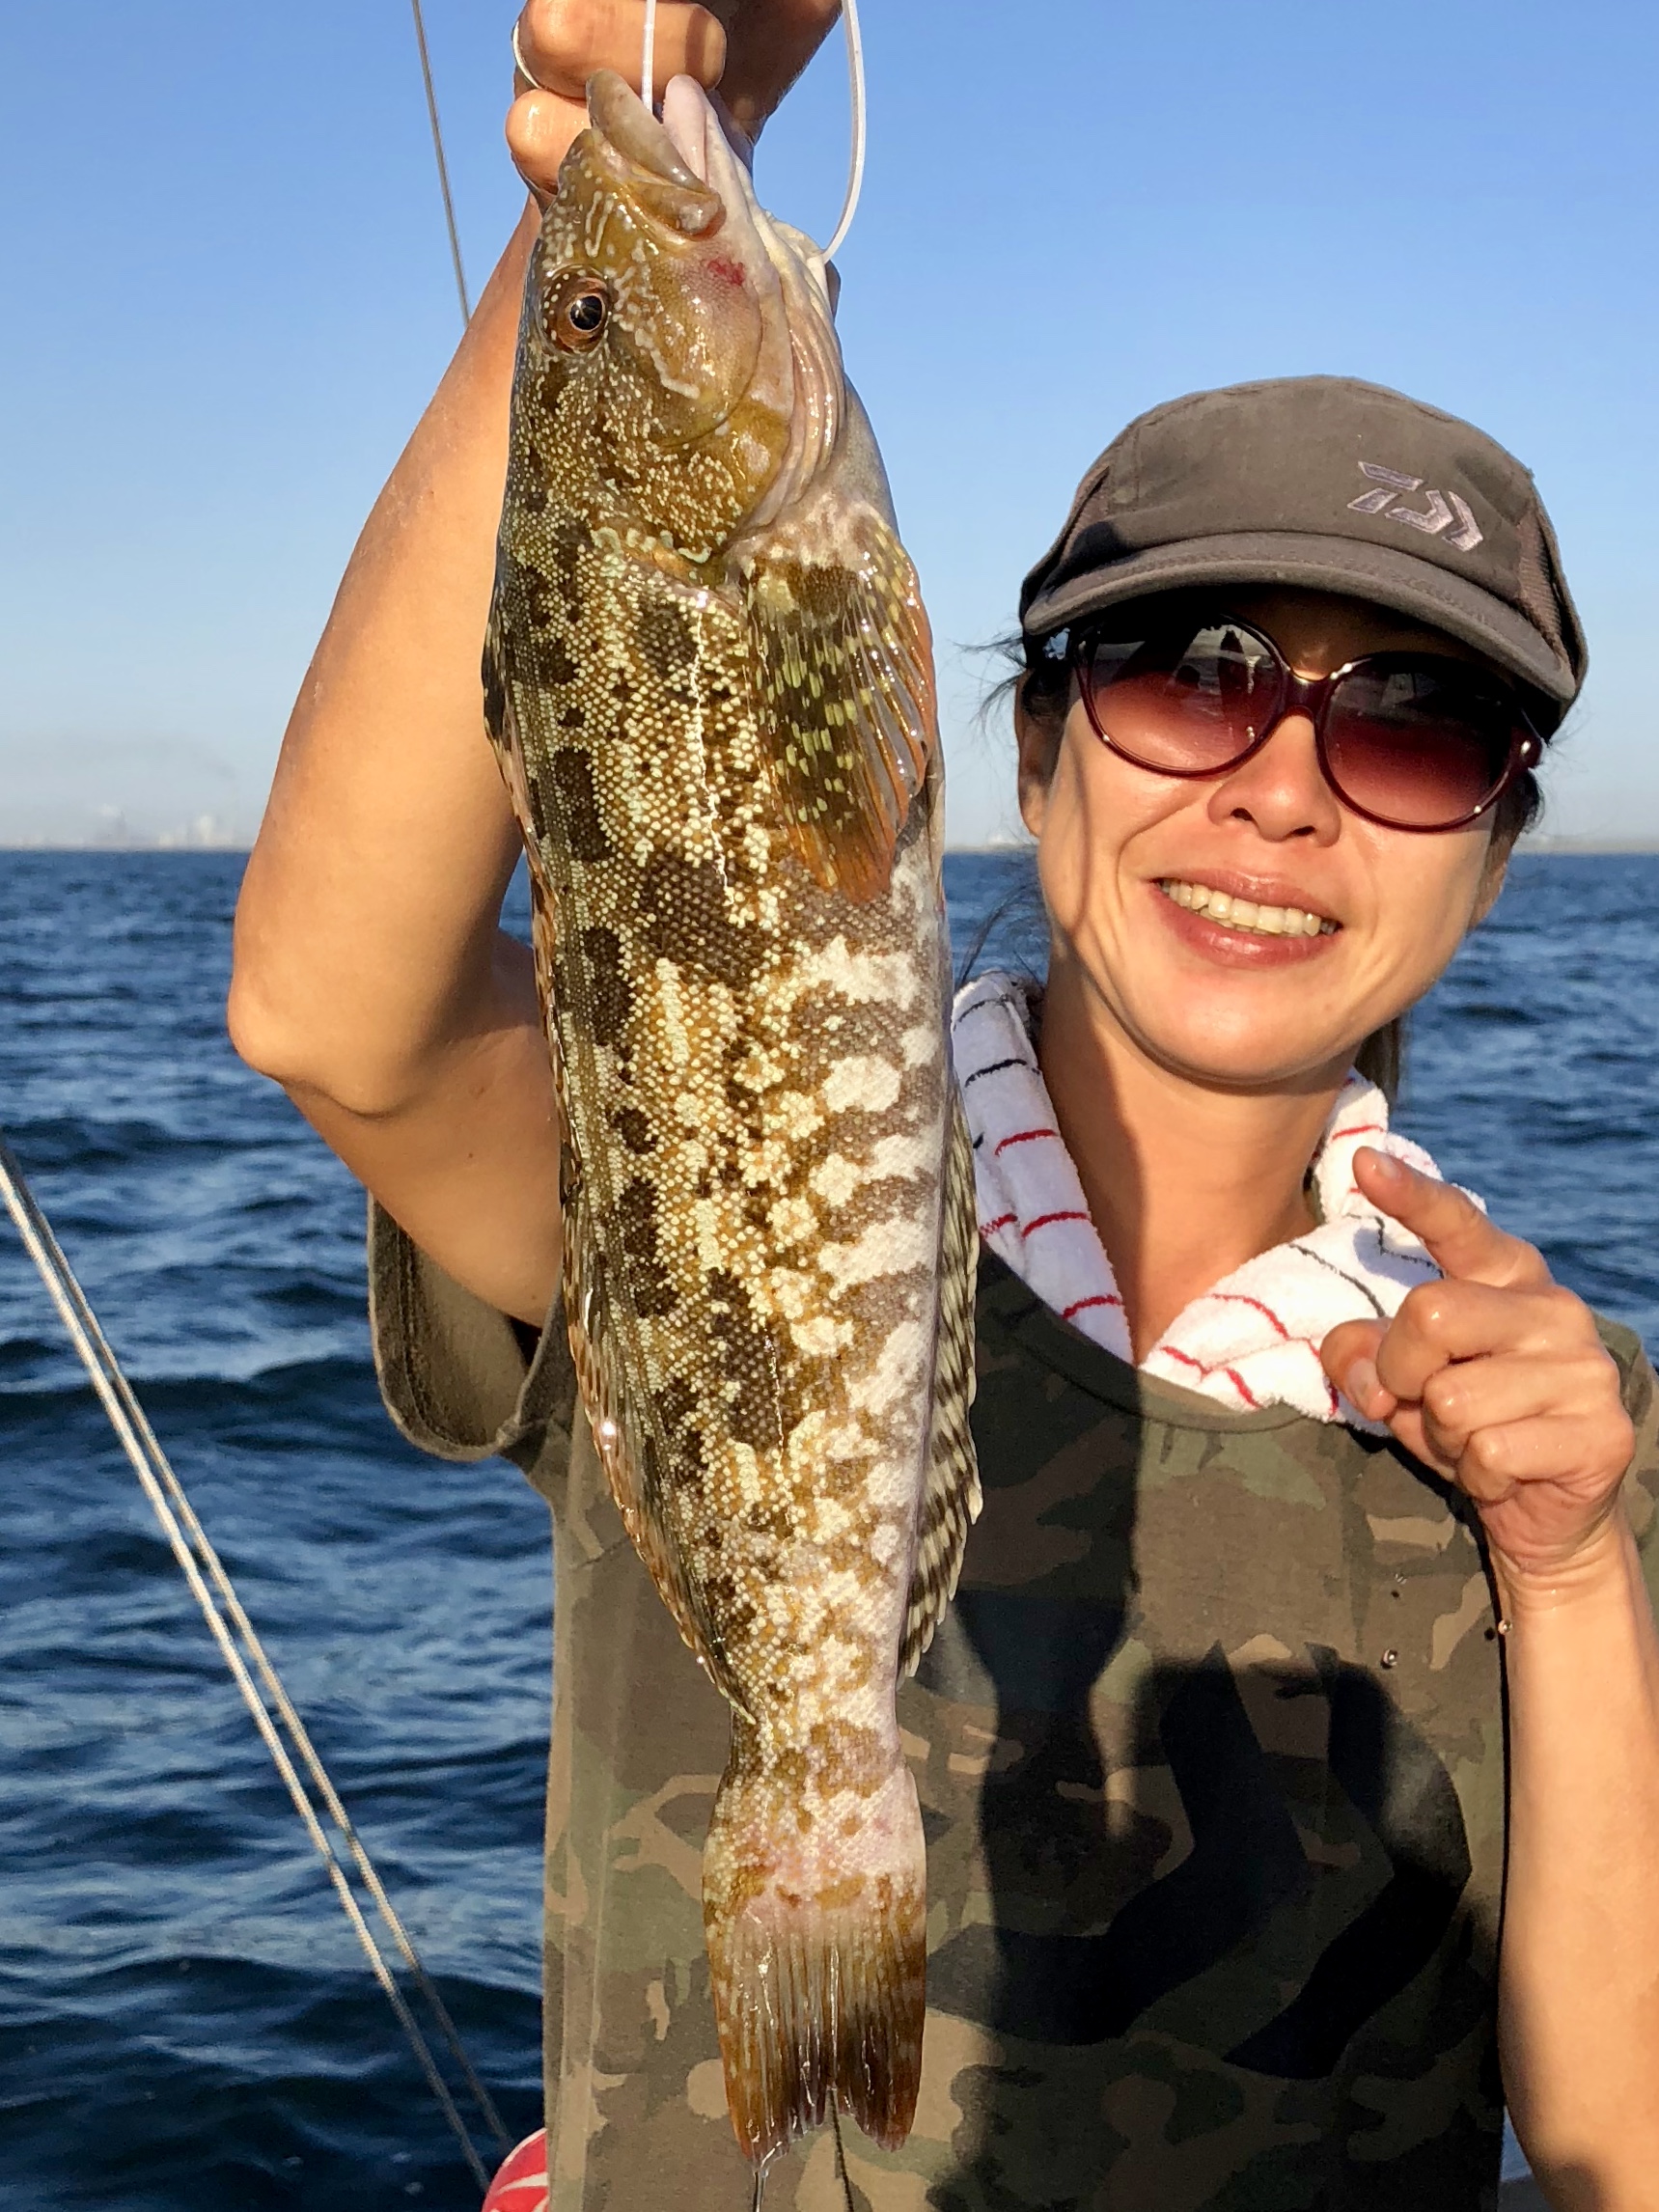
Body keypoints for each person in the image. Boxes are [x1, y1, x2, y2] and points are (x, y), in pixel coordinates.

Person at [227, 6, 1659, 2206]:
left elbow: (1616, 2143)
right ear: (1014, 742)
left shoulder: (1574, 1456)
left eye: (1410, 726)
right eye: (1190, 677)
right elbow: (335, 1014)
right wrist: (617, 198)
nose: (1279, 791)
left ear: (1494, 843)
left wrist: (1562, 1576)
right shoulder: (693, 1170)